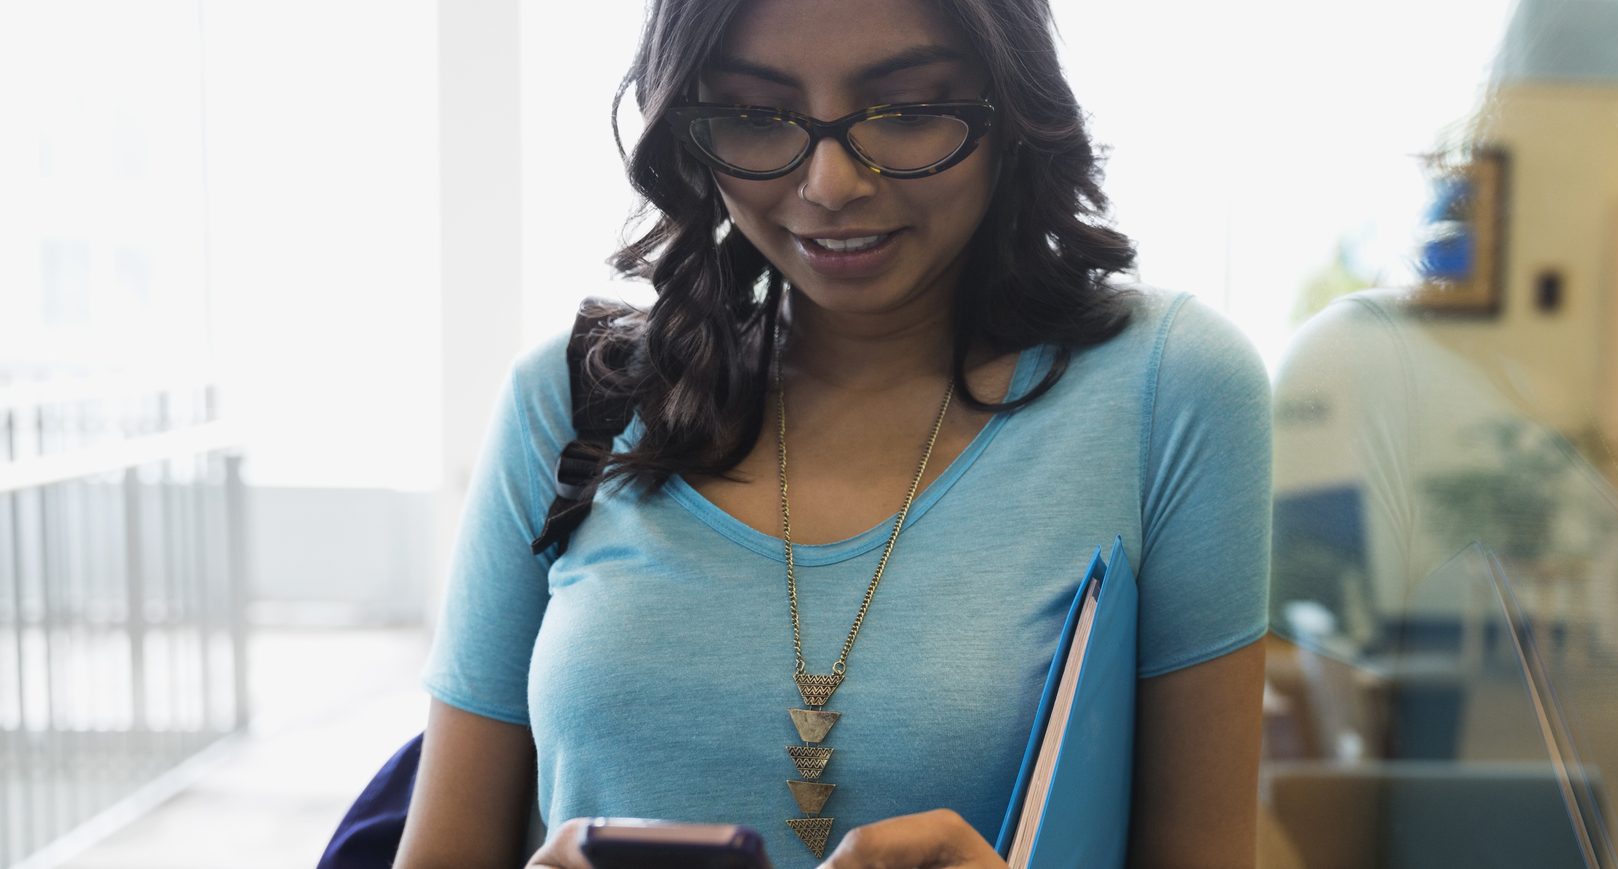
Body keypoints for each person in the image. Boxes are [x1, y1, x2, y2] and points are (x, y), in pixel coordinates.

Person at [393, 0, 1271, 866]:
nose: (830, 186)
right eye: (753, 116)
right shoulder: (579, 396)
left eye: (907, 111)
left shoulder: (1167, 388)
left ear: (1015, 107)